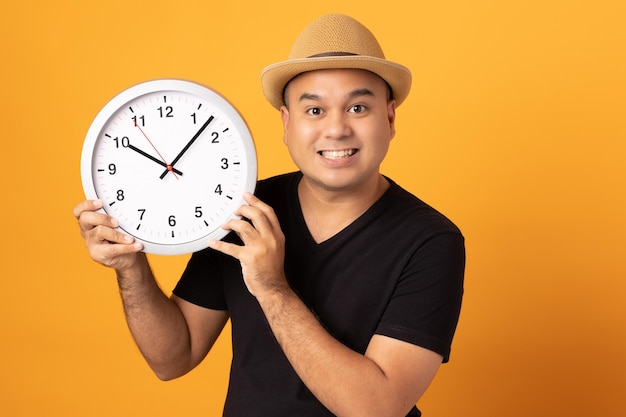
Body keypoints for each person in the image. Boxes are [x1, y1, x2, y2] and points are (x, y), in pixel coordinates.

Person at [74, 13, 465, 417]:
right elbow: (174, 358)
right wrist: (131, 267)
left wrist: (273, 288)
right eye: (314, 111)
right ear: (286, 122)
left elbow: (377, 409)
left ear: (389, 117)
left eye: (358, 107)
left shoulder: (431, 241)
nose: (336, 129)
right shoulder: (240, 210)